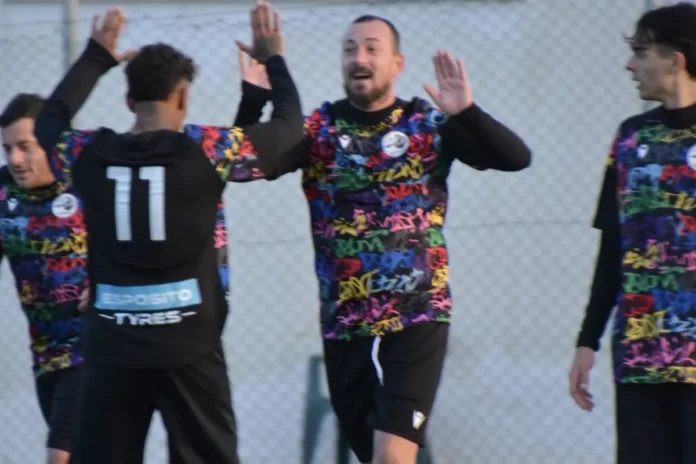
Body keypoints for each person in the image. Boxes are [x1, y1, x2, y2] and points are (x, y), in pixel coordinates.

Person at [235, 14, 532, 464]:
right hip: (344, 324)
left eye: (372, 48)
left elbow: (516, 157)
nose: (360, 58)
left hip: (417, 317)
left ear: (397, 63)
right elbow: (241, 163)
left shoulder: (426, 124)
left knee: (393, 456)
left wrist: (468, 113)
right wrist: (255, 97)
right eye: (350, 48)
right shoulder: (319, 130)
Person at [33, 2, 303, 463]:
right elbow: (290, 129)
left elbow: (48, 124)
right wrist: (273, 59)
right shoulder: (208, 150)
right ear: (182, 98)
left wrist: (95, 57)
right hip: (190, 348)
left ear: (129, 101)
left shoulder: (87, 153)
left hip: (112, 348)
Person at [568, 3, 696, 463]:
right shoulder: (630, 138)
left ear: (675, 60)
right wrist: (587, 340)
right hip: (641, 357)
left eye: (641, 53)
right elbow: (613, 248)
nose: (629, 64)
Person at [0, 93, 90, 464]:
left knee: (60, 456)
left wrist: (108, 278)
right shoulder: (4, 196)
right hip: (45, 356)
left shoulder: (87, 182)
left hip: (93, 350)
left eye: (25, 147)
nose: (15, 160)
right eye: (7, 149)